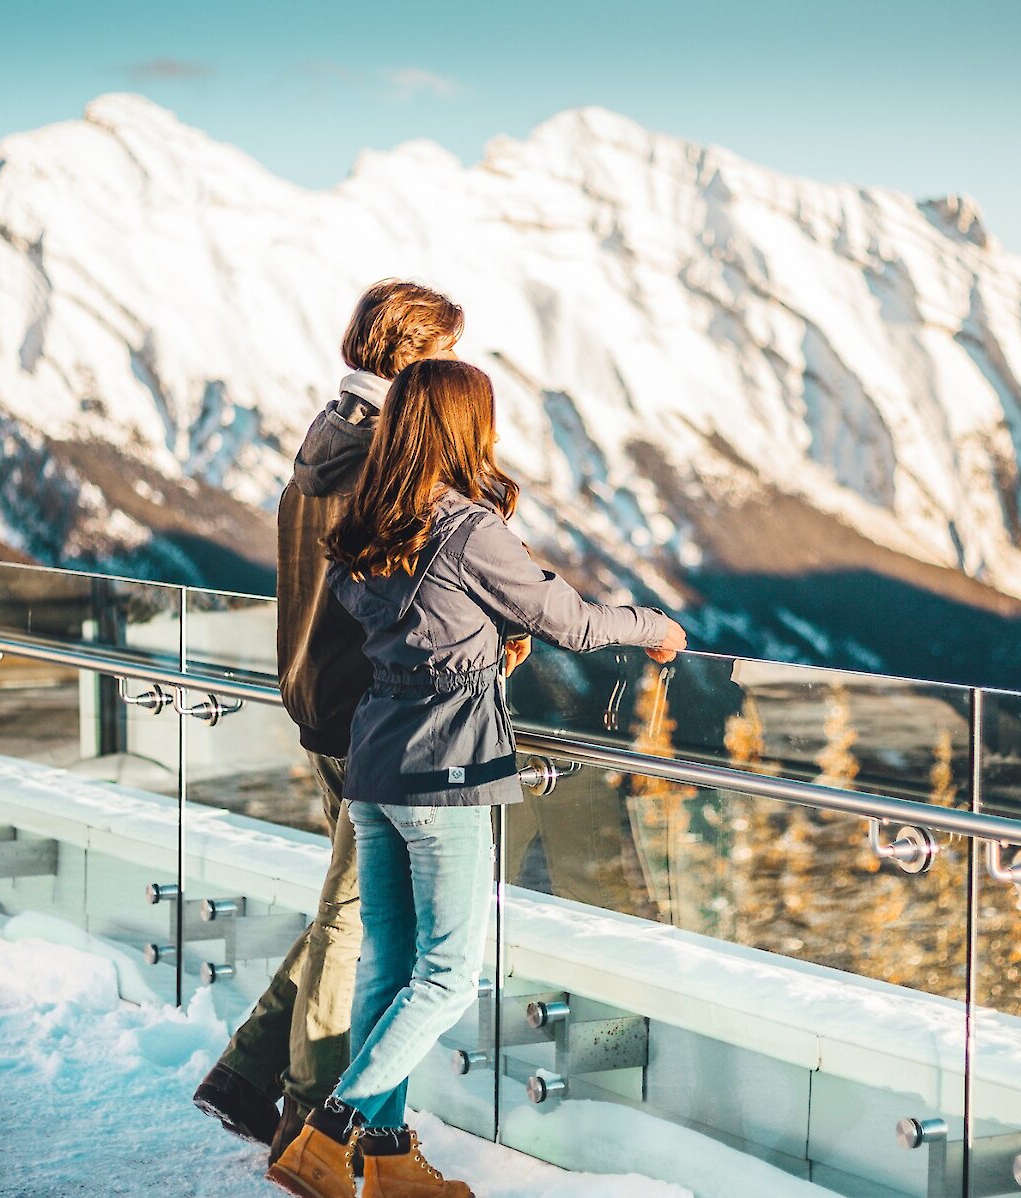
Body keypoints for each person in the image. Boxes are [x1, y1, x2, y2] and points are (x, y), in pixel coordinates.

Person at [268, 359, 685, 1198]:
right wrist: (653, 627)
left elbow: (409, 620)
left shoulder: (369, 521)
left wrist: (475, 638)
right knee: (451, 973)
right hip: (443, 764)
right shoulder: (465, 528)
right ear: (465, 430)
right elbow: (567, 618)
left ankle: (384, 1159)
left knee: (389, 966)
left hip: (376, 757)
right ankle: (328, 1133)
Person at [193, 281, 467, 1163]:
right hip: (373, 715)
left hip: (316, 702)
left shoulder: (324, 439)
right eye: (446, 354)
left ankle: (242, 1076)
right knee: (356, 921)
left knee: (347, 907)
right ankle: (310, 1115)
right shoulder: (384, 461)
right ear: (416, 355)